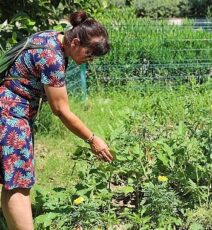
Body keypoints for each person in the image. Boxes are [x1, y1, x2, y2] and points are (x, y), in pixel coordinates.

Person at [0, 11, 113, 229]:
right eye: (88, 54)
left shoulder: (51, 37)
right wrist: (92, 139)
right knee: (18, 185)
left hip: (7, 111)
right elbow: (60, 110)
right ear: (76, 42)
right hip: (10, 117)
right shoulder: (52, 57)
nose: (88, 61)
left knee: (10, 182)